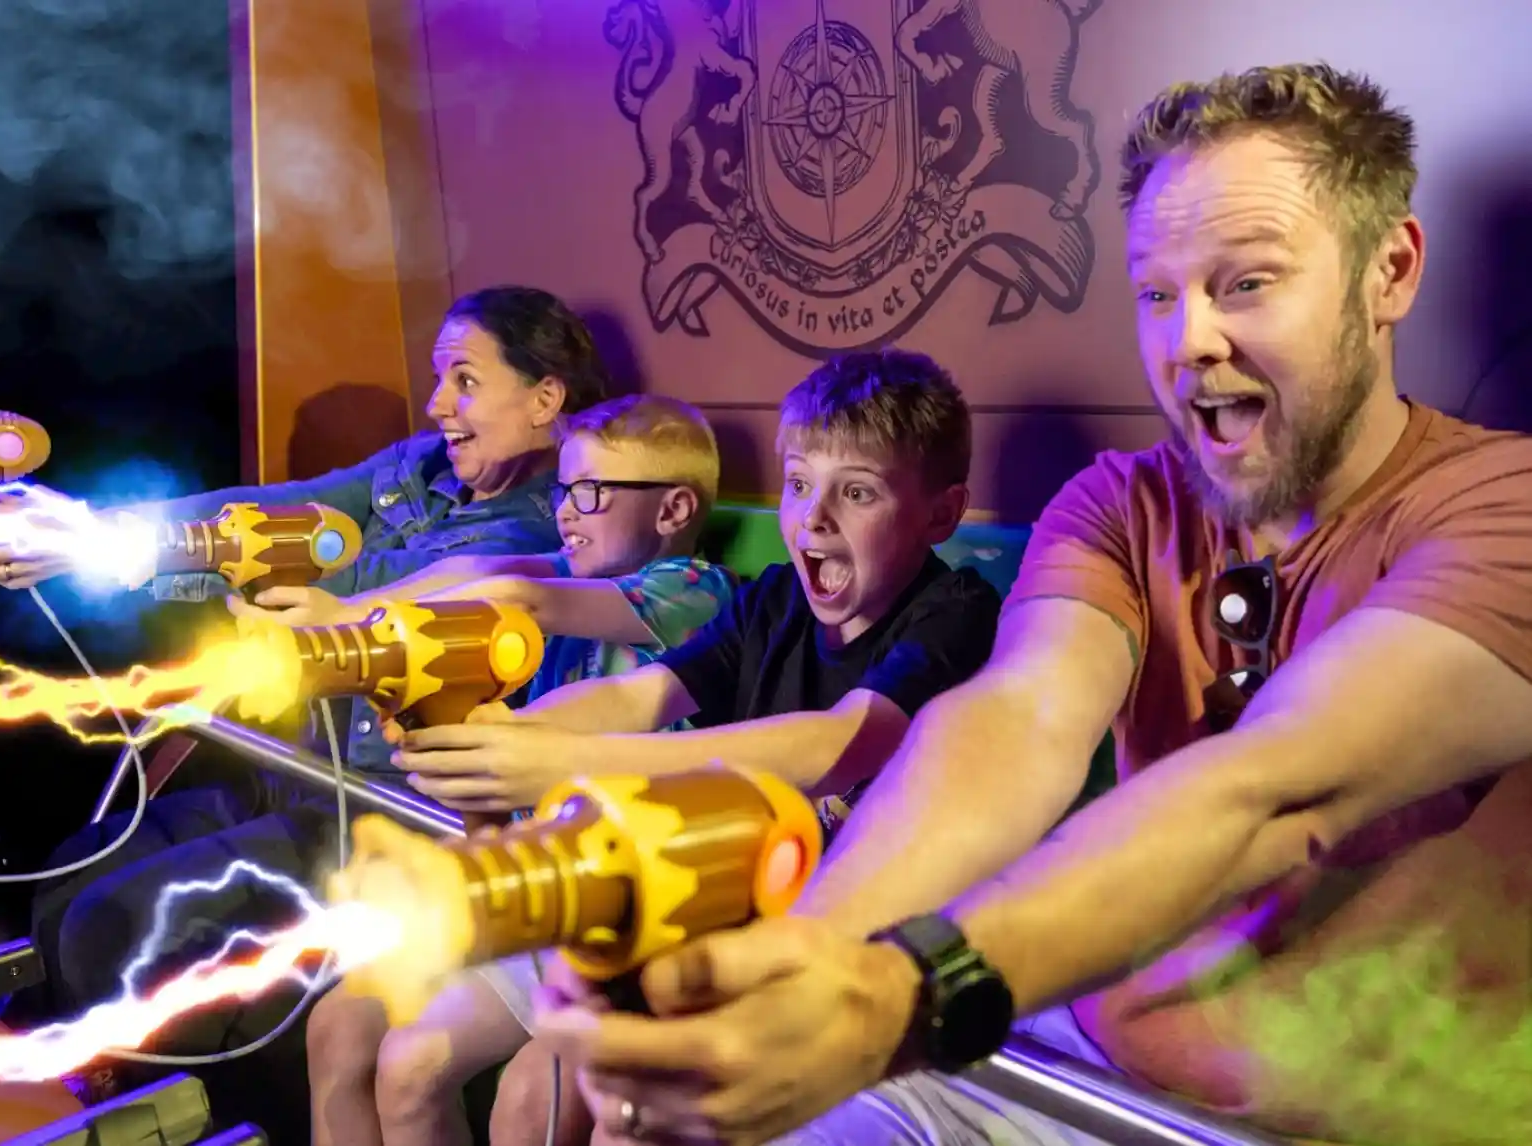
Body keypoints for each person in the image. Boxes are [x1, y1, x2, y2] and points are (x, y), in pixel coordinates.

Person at [524, 64, 1532, 1146]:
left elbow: (1281, 790)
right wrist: (803, 965)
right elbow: (1015, 727)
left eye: (1245, 283)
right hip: (1088, 1052)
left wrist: (896, 994)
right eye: (1157, 294)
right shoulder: (1121, 503)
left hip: (1370, 1113)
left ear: (1390, 272)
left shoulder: (1502, 505)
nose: (1186, 340)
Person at [0, 286, 609, 1039]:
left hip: (402, 807)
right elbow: (280, 511)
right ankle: (39, 1056)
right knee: (77, 868)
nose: (438, 404)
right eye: (440, 378)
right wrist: (83, 531)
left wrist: (203, 559)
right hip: (304, 772)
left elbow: (377, 582)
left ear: (544, 399)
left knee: (120, 919)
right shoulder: (419, 466)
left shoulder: (556, 527)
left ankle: (138, 1082)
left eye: (464, 381)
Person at [470, 347, 1007, 1144]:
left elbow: (848, 739)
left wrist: (574, 764)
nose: (813, 519)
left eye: (857, 492)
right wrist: (510, 737)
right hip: (734, 917)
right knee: (531, 1097)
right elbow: (639, 696)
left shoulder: (956, 613)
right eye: (799, 485)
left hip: (865, 946)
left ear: (940, 514)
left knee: (623, 1123)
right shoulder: (777, 599)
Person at [301, 394, 737, 1146]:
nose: (566, 510)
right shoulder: (565, 584)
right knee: (351, 1032)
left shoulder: (696, 591)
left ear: (672, 510)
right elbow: (486, 570)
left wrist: (349, 626)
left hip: (636, 916)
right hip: (539, 887)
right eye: (564, 489)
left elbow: (520, 594)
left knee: (524, 1100)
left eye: (591, 492)